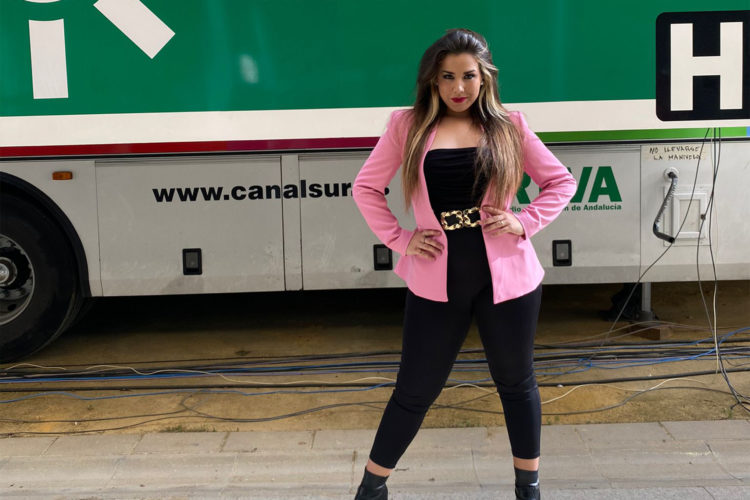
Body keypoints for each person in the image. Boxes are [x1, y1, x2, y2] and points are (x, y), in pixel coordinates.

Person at [351, 28, 576, 500]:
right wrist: (400, 239)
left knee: (516, 384)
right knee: (415, 389)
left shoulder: (509, 125)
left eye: (468, 76)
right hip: (437, 279)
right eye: (447, 77)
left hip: (509, 279)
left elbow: (561, 181)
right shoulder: (407, 126)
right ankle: (371, 489)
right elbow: (366, 187)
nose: (458, 87)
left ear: (484, 77)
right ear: (432, 81)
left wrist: (525, 221)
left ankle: (529, 489)